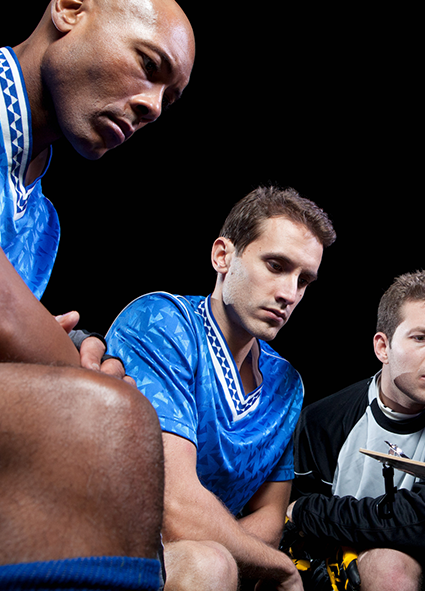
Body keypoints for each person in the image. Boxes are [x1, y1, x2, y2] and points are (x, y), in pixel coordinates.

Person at [0, 0, 194, 589]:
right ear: (70, 9)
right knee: (109, 421)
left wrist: (55, 357)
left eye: (169, 98)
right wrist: (73, 375)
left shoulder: (44, 223)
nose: (152, 107)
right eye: (149, 66)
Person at [106, 186, 336, 591]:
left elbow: (269, 520)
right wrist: (280, 568)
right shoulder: (162, 322)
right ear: (223, 256)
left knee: (215, 562)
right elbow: (174, 507)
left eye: (304, 281)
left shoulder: (287, 385)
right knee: (210, 564)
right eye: (276, 265)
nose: (289, 294)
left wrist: (246, 550)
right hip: (112, 544)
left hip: (209, 563)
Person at [287, 269, 425, 591]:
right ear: (383, 347)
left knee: (389, 566)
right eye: (422, 338)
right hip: (337, 572)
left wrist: (306, 511)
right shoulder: (324, 420)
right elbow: (298, 539)